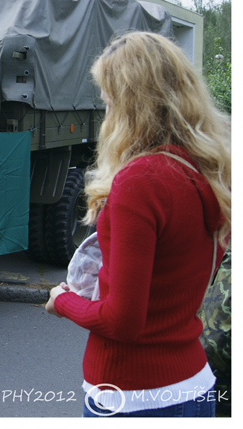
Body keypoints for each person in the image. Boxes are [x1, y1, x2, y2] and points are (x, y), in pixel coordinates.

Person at [45, 32, 231, 417]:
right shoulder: (210, 172)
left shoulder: (140, 180)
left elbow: (123, 321)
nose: (105, 111)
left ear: (129, 104)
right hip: (194, 384)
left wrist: (62, 301)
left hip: (131, 392)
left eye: (108, 100)